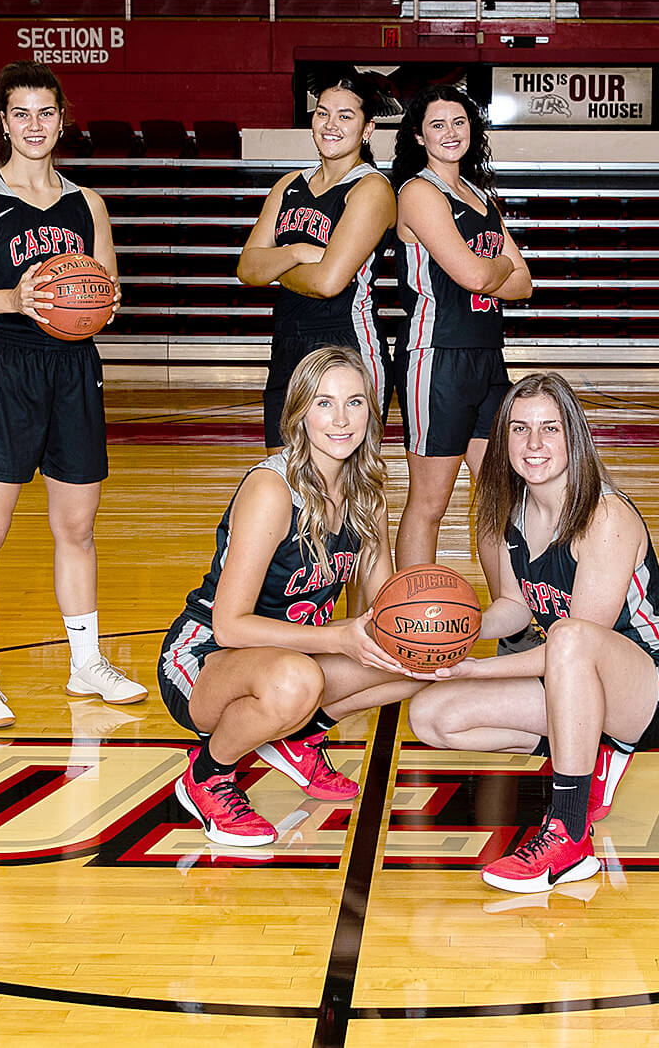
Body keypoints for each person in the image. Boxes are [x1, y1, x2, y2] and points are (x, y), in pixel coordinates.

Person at [405, 372, 659, 893]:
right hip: (580, 682)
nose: (534, 444)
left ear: (574, 437)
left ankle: (568, 835)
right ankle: (595, 752)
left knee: (566, 636)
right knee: (433, 715)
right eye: (519, 429)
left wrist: (479, 668)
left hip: (657, 683)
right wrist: (454, 630)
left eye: (550, 428)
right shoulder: (506, 512)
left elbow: (573, 644)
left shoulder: (604, 515)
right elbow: (516, 607)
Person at [0, 60, 146, 729]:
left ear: (62, 119)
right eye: (22, 113)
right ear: (2, 123)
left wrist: (102, 299)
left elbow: (106, 290)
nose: (36, 125)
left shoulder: (87, 203)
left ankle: (85, 661)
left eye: (46, 112)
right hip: (9, 366)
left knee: (77, 526)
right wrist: (12, 299)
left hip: (76, 368)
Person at [157, 345, 422, 846]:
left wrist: (418, 624)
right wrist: (339, 637)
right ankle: (207, 775)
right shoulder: (273, 490)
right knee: (295, 678)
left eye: (355, 402)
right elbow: (230, 624)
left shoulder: (367, 490)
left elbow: (383, 596)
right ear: (299, 413)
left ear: (372, 410)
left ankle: (297, 737)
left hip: (292, 656)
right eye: (324, 403)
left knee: (421, 659)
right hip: (205, 657)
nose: (341, 419)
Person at [392, 84, 532, 569]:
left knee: (501, 498)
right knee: (430, 504)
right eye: (437, 124)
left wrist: (484, 270)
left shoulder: (480, 197)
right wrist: (494, 270)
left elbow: (526, 284)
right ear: (419, 136)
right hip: (436, 357)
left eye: (459, 122)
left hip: (487, 359)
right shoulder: (417, 192)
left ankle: (512, 619)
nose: (450, 133)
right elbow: (480, 275)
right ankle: (407, 624)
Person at [237, 73, 396, 447]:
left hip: (346, 340)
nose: (330, 124)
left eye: (345, 116)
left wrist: (276, 267)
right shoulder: (289, 184)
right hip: (288, 340)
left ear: (367, 128)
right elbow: (246, 268)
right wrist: (297, 252)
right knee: (284, 472)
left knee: (349, 483)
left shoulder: (371, 188)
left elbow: (328, 283)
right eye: (322, 113)